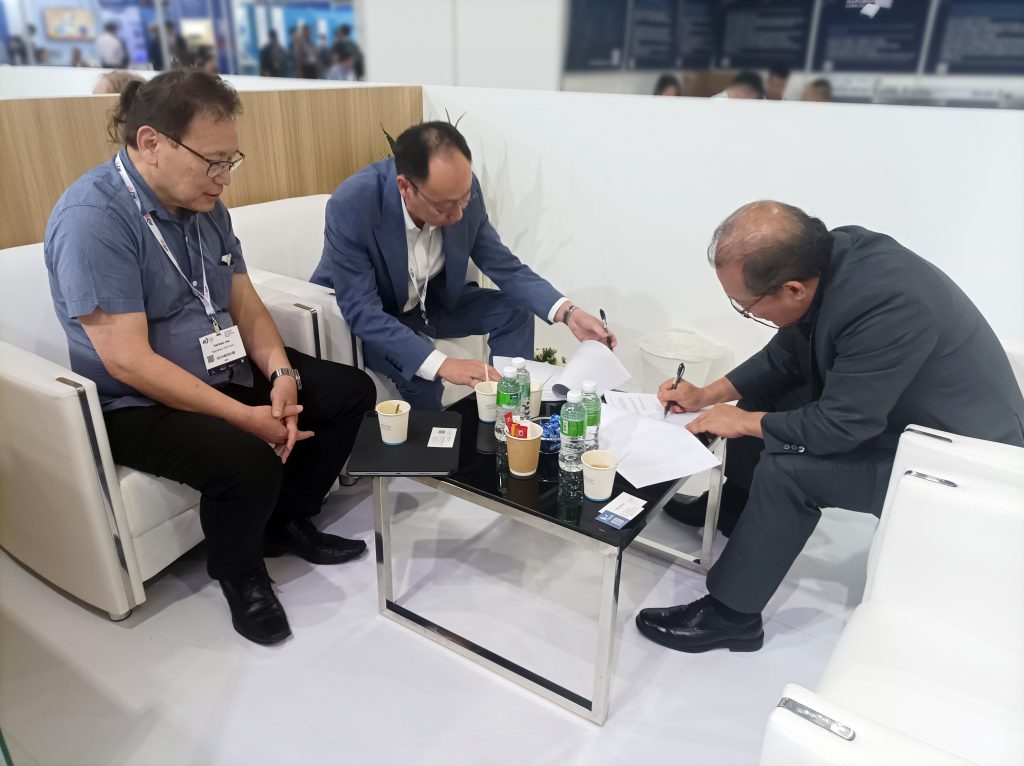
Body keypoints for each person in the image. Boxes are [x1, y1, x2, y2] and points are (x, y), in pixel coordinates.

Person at [44, 70, 376, 645]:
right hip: (139, 403)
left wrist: (281, 373)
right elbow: (128, 362)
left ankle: (284, 520)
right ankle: (240, 574)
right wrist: (244, 417)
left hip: (223, 367)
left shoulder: (206, 206)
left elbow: (244, 303)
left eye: (231, 161)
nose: (223, 178)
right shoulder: (94, 219)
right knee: (246, 460)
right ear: (152, 143)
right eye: (212, 162)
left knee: (349, 393)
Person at [635, 201, 1024, 654]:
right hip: (904, 418)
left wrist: (741, 421)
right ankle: (735, 510)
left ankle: (732, 617)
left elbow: (838, 428)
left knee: (788, 472)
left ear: (793, 289)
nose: (744, 311)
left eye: (745, 307)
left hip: (964, 462)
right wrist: (707, 395)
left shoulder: (889, 305)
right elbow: (787, 354)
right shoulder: (831, 253)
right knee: (766, 401)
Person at [310, 121, 616, 410]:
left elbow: (504, 266)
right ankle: (436, 445)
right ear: (405, 188)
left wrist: (569, 313)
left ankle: (508, 416)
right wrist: (443, 364)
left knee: (515, 312)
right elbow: (362, 310)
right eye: (444, 206)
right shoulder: (354, 204)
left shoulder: (460, 191)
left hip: (429, 304)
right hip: (375, 319)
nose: (458, 215)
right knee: (424, 376)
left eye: (464, 199)